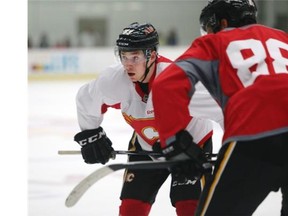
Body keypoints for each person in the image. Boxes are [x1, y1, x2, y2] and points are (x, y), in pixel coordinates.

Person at [151, 0, 288, 215]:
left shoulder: (216, 42)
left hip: (255, 134)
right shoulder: (283, 37)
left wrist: (174, 143)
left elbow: (165, 84)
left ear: (221, 23)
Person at [73, 22, 222, 216]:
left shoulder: (179, 80)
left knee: (189, 209)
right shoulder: (114, 81)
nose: (127, 64)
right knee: (131, 210)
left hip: (191, 149)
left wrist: (238, 145)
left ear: (151, 55)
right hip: (146, 146)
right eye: (124, 56)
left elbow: (223, 108)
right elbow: (86, 98)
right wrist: (91, 135)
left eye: (135, 57)